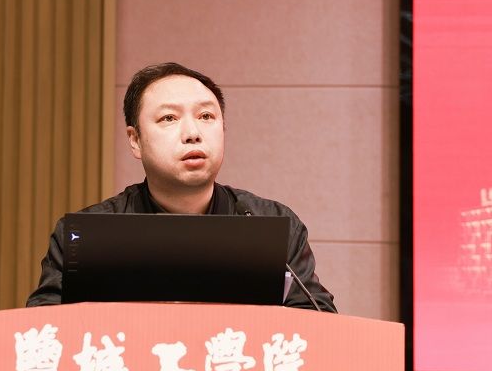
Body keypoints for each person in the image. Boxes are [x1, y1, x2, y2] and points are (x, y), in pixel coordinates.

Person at [27, 62, 337, 313]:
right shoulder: (87, 235)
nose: (192, 133)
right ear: (135, 140)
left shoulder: (272, 223)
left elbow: (317, 321)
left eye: (206, 116)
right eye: (169, 118)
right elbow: (43, 328)